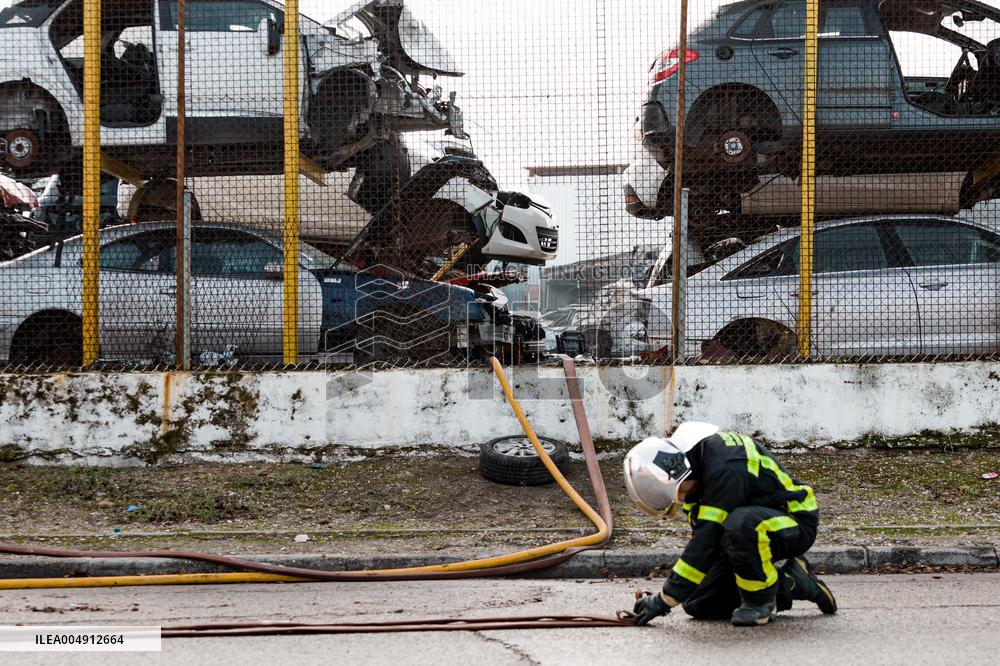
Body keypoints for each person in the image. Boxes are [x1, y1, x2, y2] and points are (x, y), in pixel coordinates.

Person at [624, 422, 837, 627]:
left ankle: (760, 602)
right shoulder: (696, 473)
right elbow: (706, 547)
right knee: (698, 602)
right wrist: (677, 594)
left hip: (794, 521)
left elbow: (706, 541)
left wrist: (663, 600)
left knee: (741, 524)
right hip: (745, 532)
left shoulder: (726, 468)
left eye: (679, 490)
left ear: (678, 467)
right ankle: (790, 581)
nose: (679, 498)